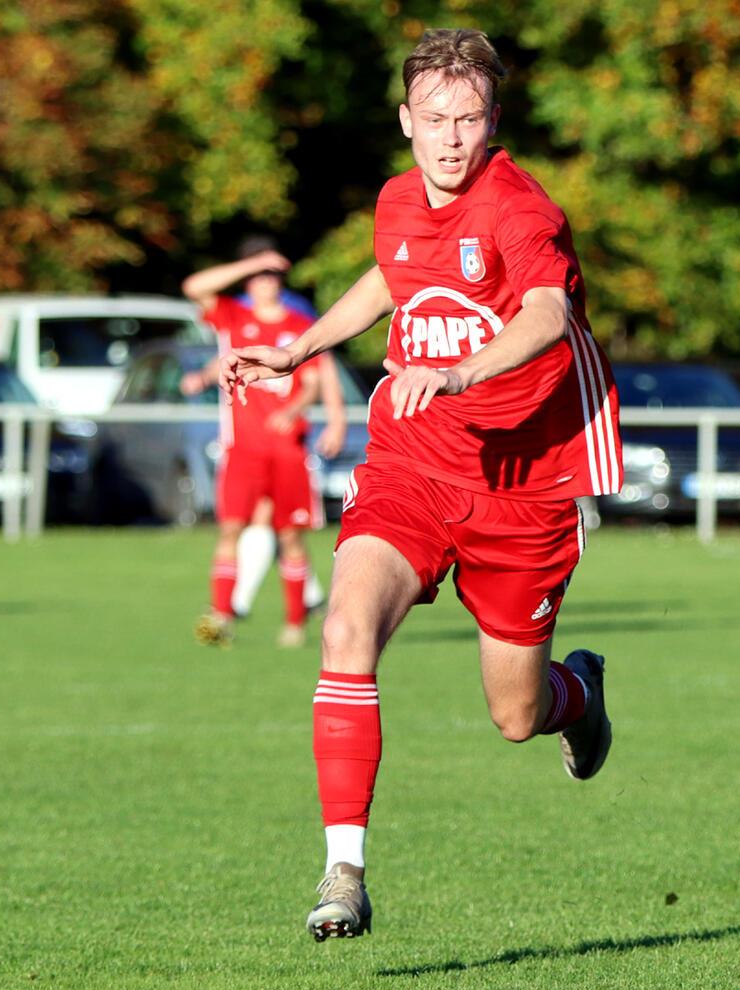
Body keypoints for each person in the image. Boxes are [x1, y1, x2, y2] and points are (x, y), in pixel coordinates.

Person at [221, 28, 621, 942]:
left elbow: (549, 314)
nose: (449, 137)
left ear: (491, 122)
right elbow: (394, 278)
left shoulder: (521, 210)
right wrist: (298, 348)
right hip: (412, 463)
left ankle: (581, 698)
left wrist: (464, 370)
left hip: (522, 490)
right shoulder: (399, 199)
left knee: (516, 715)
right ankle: (344, 871)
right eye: (433, 119)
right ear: (406, 120)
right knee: (346, 627)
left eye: (468, 119)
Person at [183, 239, 347, 647]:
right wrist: (251, 262)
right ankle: (221, 618)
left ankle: (295, 622)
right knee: (231, 531)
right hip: (242, 449)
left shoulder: (298, 324)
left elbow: (316, 377)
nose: (262, 281)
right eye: (256, 274)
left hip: (289, 449)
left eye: (270, 274)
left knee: (290, 536)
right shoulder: (233, 315)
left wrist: (322, 416)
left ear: (280, 280)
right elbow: (194, 287)